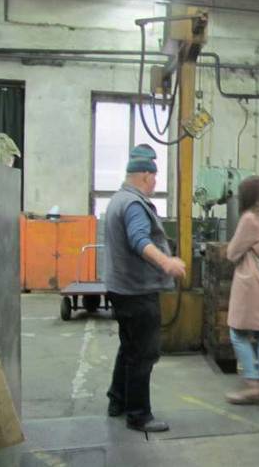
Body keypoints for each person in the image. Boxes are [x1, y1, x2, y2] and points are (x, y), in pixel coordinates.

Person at [105, 144, 186, 433]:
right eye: (154, 177)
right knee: (143, 354)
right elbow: (139, 240)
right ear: (145, 176)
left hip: (120, 288)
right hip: (137, 292)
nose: (155, 183)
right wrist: (166, 262)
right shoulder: (134, 205)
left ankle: (118, 400)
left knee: (129, 347)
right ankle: (139, 415)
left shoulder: (118, 199)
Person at [224, 176, 259, 405]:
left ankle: (252, 384)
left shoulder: (250, 219)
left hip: (252, 286)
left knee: (237, 334)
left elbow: (232, 253)